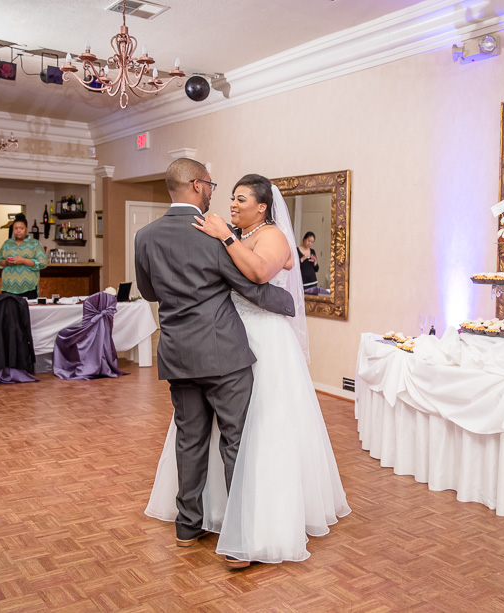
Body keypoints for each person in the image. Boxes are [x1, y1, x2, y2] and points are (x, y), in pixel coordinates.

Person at [145, 171, 350, 567]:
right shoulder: (233, 237)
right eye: (232, 198)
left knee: (254, 432)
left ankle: (252, 527)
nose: (233, 204)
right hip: (229, 339)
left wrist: (224, 236)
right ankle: (214, 515)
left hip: (260, 342)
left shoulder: (269, 235)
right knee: (217, 433)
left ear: (263, 206)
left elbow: (257, 275)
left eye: (241, 199)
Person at [136, 160, 299, 569]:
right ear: (196, 186)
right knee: (235, 441)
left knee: (189, 439)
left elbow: (150, 290)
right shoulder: (213, 234)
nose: (214, 192)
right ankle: (239, 540)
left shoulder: (145, 237)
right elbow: (250, 284)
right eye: (210, 184)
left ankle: (187, 528)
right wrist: (287, 303)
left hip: (176, 352)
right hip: (224, 353)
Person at [0, 214, 47, 299]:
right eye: (15, 228)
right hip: (8, 286)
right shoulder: (7, 243)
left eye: (21, 228)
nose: (18, 231)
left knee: (27, 311)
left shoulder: (35, 244)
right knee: (8, 311)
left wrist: (23, 261)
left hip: (28, 287)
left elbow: (42, 263)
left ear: (26, 228)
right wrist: (6, 262)